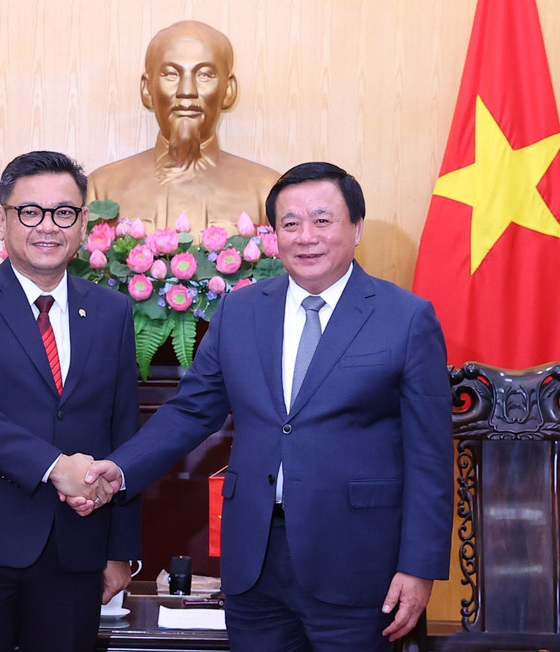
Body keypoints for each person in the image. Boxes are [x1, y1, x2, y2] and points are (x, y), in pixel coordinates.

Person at [78, 162, 454, 651]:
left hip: (360, 564)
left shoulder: (405, 317)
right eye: (290, 224)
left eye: (322, 220)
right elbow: (191, 411)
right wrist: (118, 469)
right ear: (274, 234)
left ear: (357, 228)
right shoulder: (241, 309)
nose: (306, 236)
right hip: (254, 560)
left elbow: (430, 456)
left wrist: (419, 566)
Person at [0, 151, 141, 652]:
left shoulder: (111, 310)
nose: (48, 226)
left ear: (84, 223)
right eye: (30, 212)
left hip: (77, 548)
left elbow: (123, 430)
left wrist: (120, 550)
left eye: (64, 212)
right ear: (2, 220)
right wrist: (52, 465)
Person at [88, 20, 280, 233]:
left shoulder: (265, 190)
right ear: (147, 90)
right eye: (171, 74)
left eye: (204, 75)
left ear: (228, 90)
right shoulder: (102, 188)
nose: (187, 91)